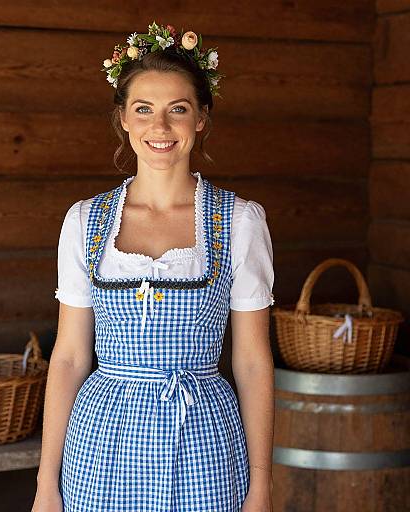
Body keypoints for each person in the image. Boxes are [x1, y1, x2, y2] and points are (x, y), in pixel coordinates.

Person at [32, 21, 275, 512]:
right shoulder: (85, 221)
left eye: (177, 110)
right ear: (123, 118)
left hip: (203, 441)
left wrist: (261, 486)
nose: (159, 128)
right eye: (144, 110)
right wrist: (45, 484)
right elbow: (71, 358)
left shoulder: (239, 222)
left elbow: (251, 363)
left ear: (201, 119)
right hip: (103, 441)